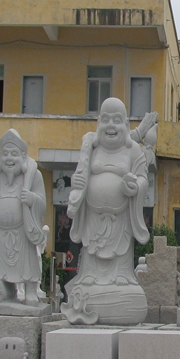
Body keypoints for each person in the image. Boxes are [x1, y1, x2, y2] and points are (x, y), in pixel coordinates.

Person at [62, 97, 149, 324]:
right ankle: (89, 279)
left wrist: (135, 186)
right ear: (99, 122)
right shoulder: (91, 148)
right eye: (106, 120)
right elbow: (81, 176)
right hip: (93, 218)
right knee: (90, 264)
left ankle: (121, 277)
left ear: (126, 125)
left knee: (121, 265)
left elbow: (143, 179)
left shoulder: (133, 152)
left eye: (117, 120)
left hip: (121, 220)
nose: (111, 126)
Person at [0, 106, 46, 304]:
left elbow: (42, 203)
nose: (9, 158)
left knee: (29, 242)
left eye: (14, 154)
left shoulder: (33, 175)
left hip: (22, 232)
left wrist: (32, 200)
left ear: (22, 157)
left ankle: (30, 289)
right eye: (5, 154)